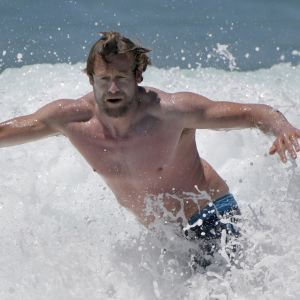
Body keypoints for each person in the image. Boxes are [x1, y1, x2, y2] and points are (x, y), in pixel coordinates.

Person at [1, 32, 299, 242]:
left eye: (121, 79)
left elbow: (252, 113)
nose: (113, 89)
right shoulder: (71, 119)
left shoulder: (171, 112)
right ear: (91, 79)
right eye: (104, 80)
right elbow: (10, 130)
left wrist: (282, 127)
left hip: (209, 215)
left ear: (137, 77)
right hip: (160, 237)